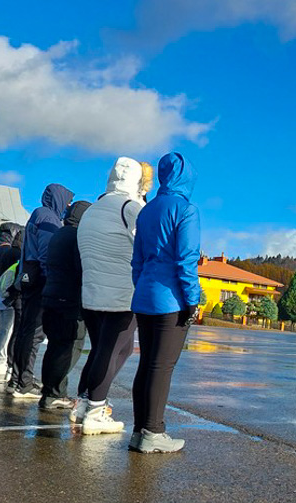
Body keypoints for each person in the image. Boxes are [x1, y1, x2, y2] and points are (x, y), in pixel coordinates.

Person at [72, 158, 151, 434]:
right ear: (137, 182)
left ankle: (83, 402)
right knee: (113, 349)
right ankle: (96, 409)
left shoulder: (93, 209)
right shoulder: (131, 207)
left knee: (106, 349)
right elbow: (149, 241)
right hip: (122, 293)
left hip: (92, 291)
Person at [129, 152, 200, 453]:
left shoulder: (146, 210)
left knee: (146, 364)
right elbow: (186, 260)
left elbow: (137, 261)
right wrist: (192, 301)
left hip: (144, 296)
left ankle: (139, 430)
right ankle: (153, 431)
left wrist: (142, 287)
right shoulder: (186, 210)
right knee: (162, 366)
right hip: (170, 299)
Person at [9, 183, 75, 399]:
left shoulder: (37, 214)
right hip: (41, 281)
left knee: (24, 331)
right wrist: (52, 278)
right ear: (58, 199)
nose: (68, 205)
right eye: (67, 201)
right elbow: (48, 252)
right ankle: (24, 382)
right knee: (35, 334)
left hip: (29, 278)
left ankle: (17, 379)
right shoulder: (48, 218)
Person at [39, 201, 92, 409]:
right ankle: (54, 394)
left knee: (54, 346)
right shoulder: (78, 237)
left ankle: (50, 391)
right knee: (70, 345)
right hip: (68, 299)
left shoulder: (59, 234)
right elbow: (81, 269)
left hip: (51, 295)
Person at [0, 222, 24, 378]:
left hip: (2, 294)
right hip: (11, 295)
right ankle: (3, 361)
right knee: (9, 331)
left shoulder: (5, 252)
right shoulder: (18, 255)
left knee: (3, 329)